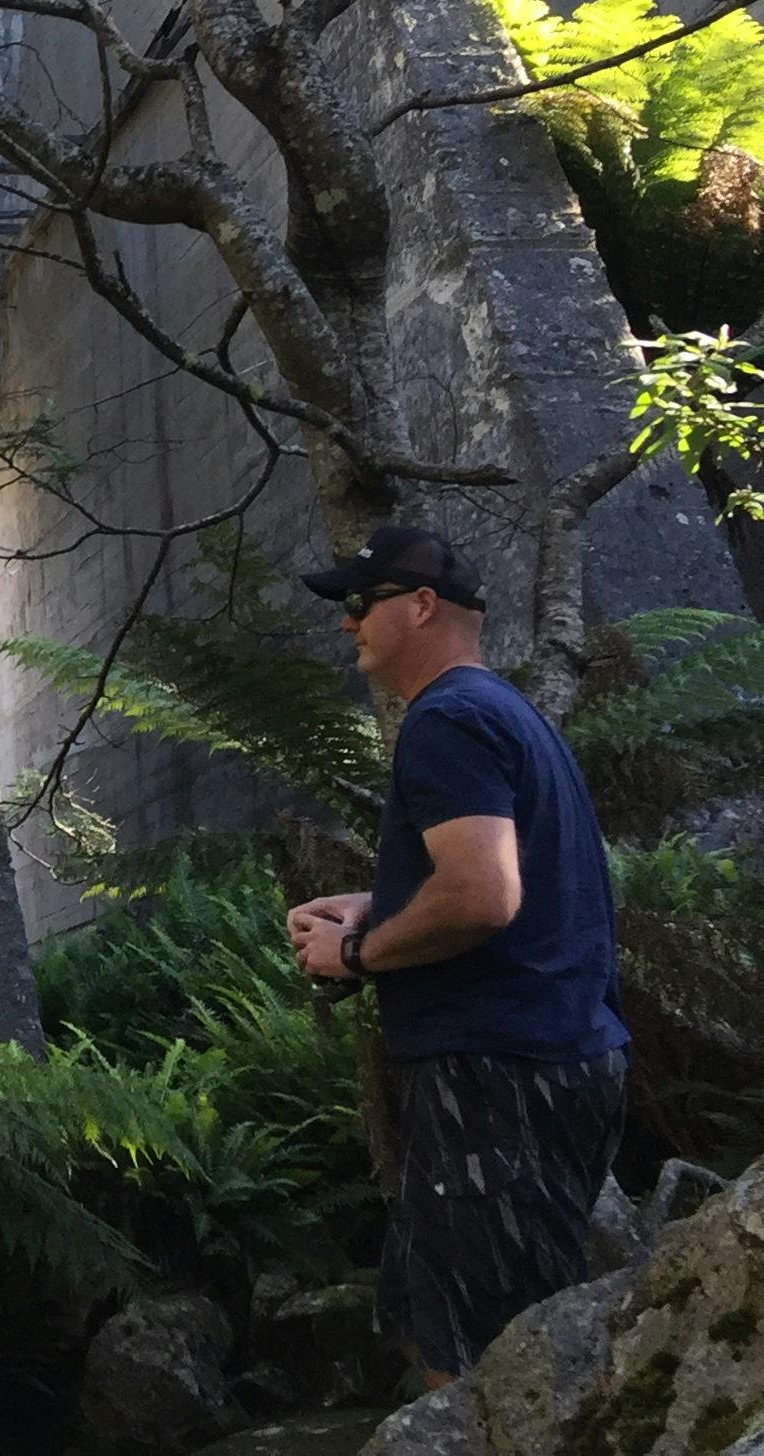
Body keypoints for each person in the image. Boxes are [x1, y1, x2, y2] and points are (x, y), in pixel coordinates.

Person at [284, 525, 630, 1387]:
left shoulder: (445, 721)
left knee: (489, 1361)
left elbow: (484, 897)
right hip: (553, 1053)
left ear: (421, 606)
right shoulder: (508, 713)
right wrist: (386, 901)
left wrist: (357, 952)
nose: (347, 625)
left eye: (360, 606)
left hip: (496, 1072)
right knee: (431, 1317)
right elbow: (520, 880)